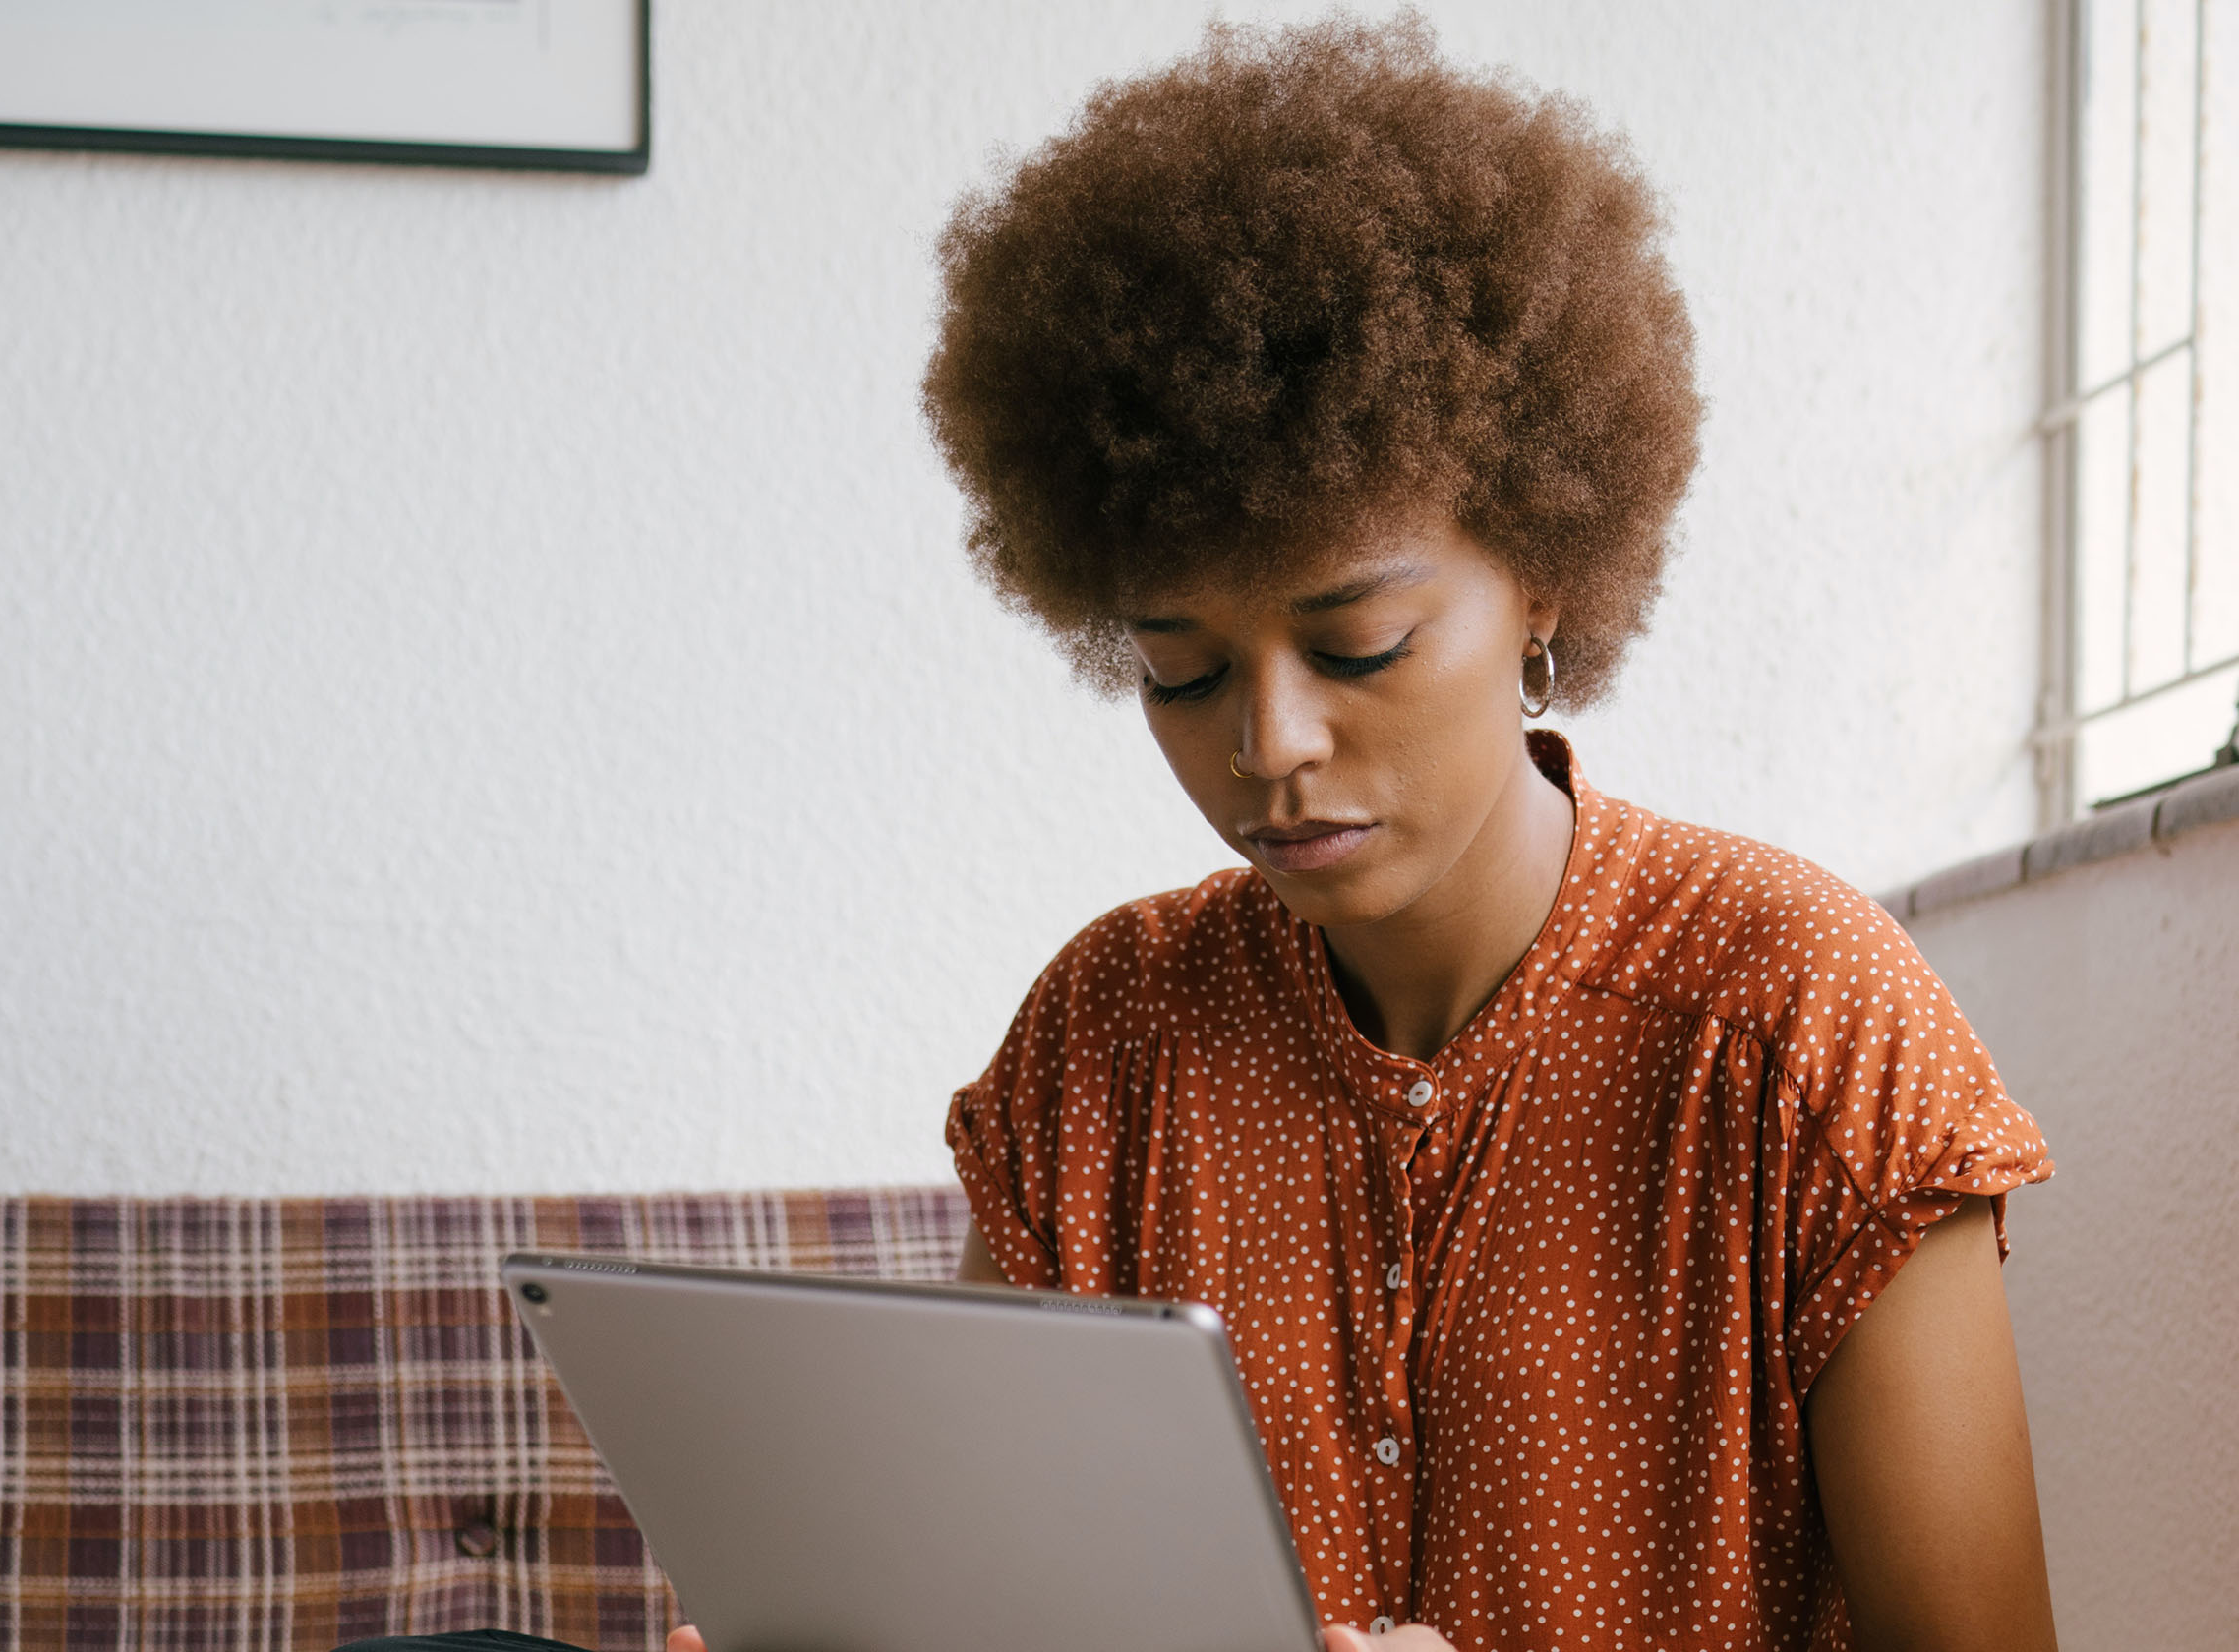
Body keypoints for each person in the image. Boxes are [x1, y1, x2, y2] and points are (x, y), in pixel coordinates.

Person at [680, 12, 2057, 1652]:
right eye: (1177, 669)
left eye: (1359, 649)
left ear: (1543, 573)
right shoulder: (1101, 1053)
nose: (1270, 745)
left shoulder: (1804, 1029)